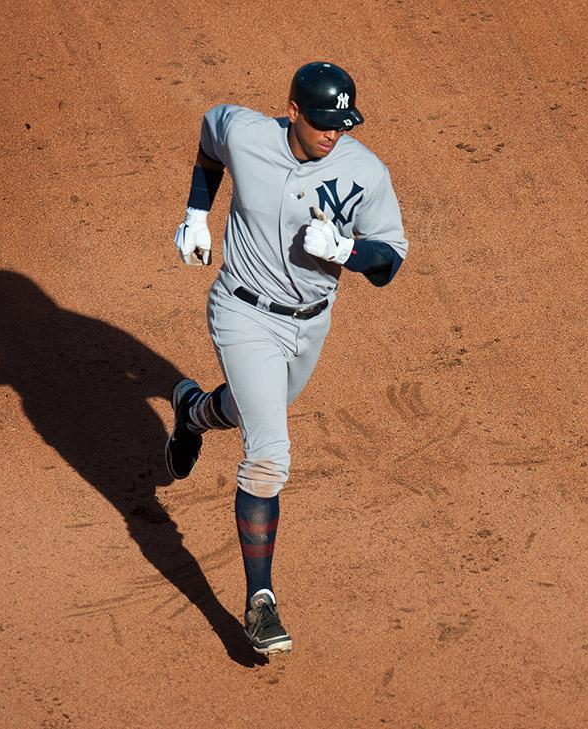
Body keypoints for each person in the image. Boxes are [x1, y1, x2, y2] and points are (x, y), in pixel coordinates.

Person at [165, 61, 408, 655]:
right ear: (294, 111)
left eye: (343, 124)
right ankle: (260, 604)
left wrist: (350, 250)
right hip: (243, 312)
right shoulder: (248, 134)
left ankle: (193, 410)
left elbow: (391, 262)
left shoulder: (365, 171)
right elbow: (208, 134)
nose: (333, 134)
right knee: (269, 454)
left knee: (254, 410)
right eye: (323, 122)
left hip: (309, 327)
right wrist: (198, 211)